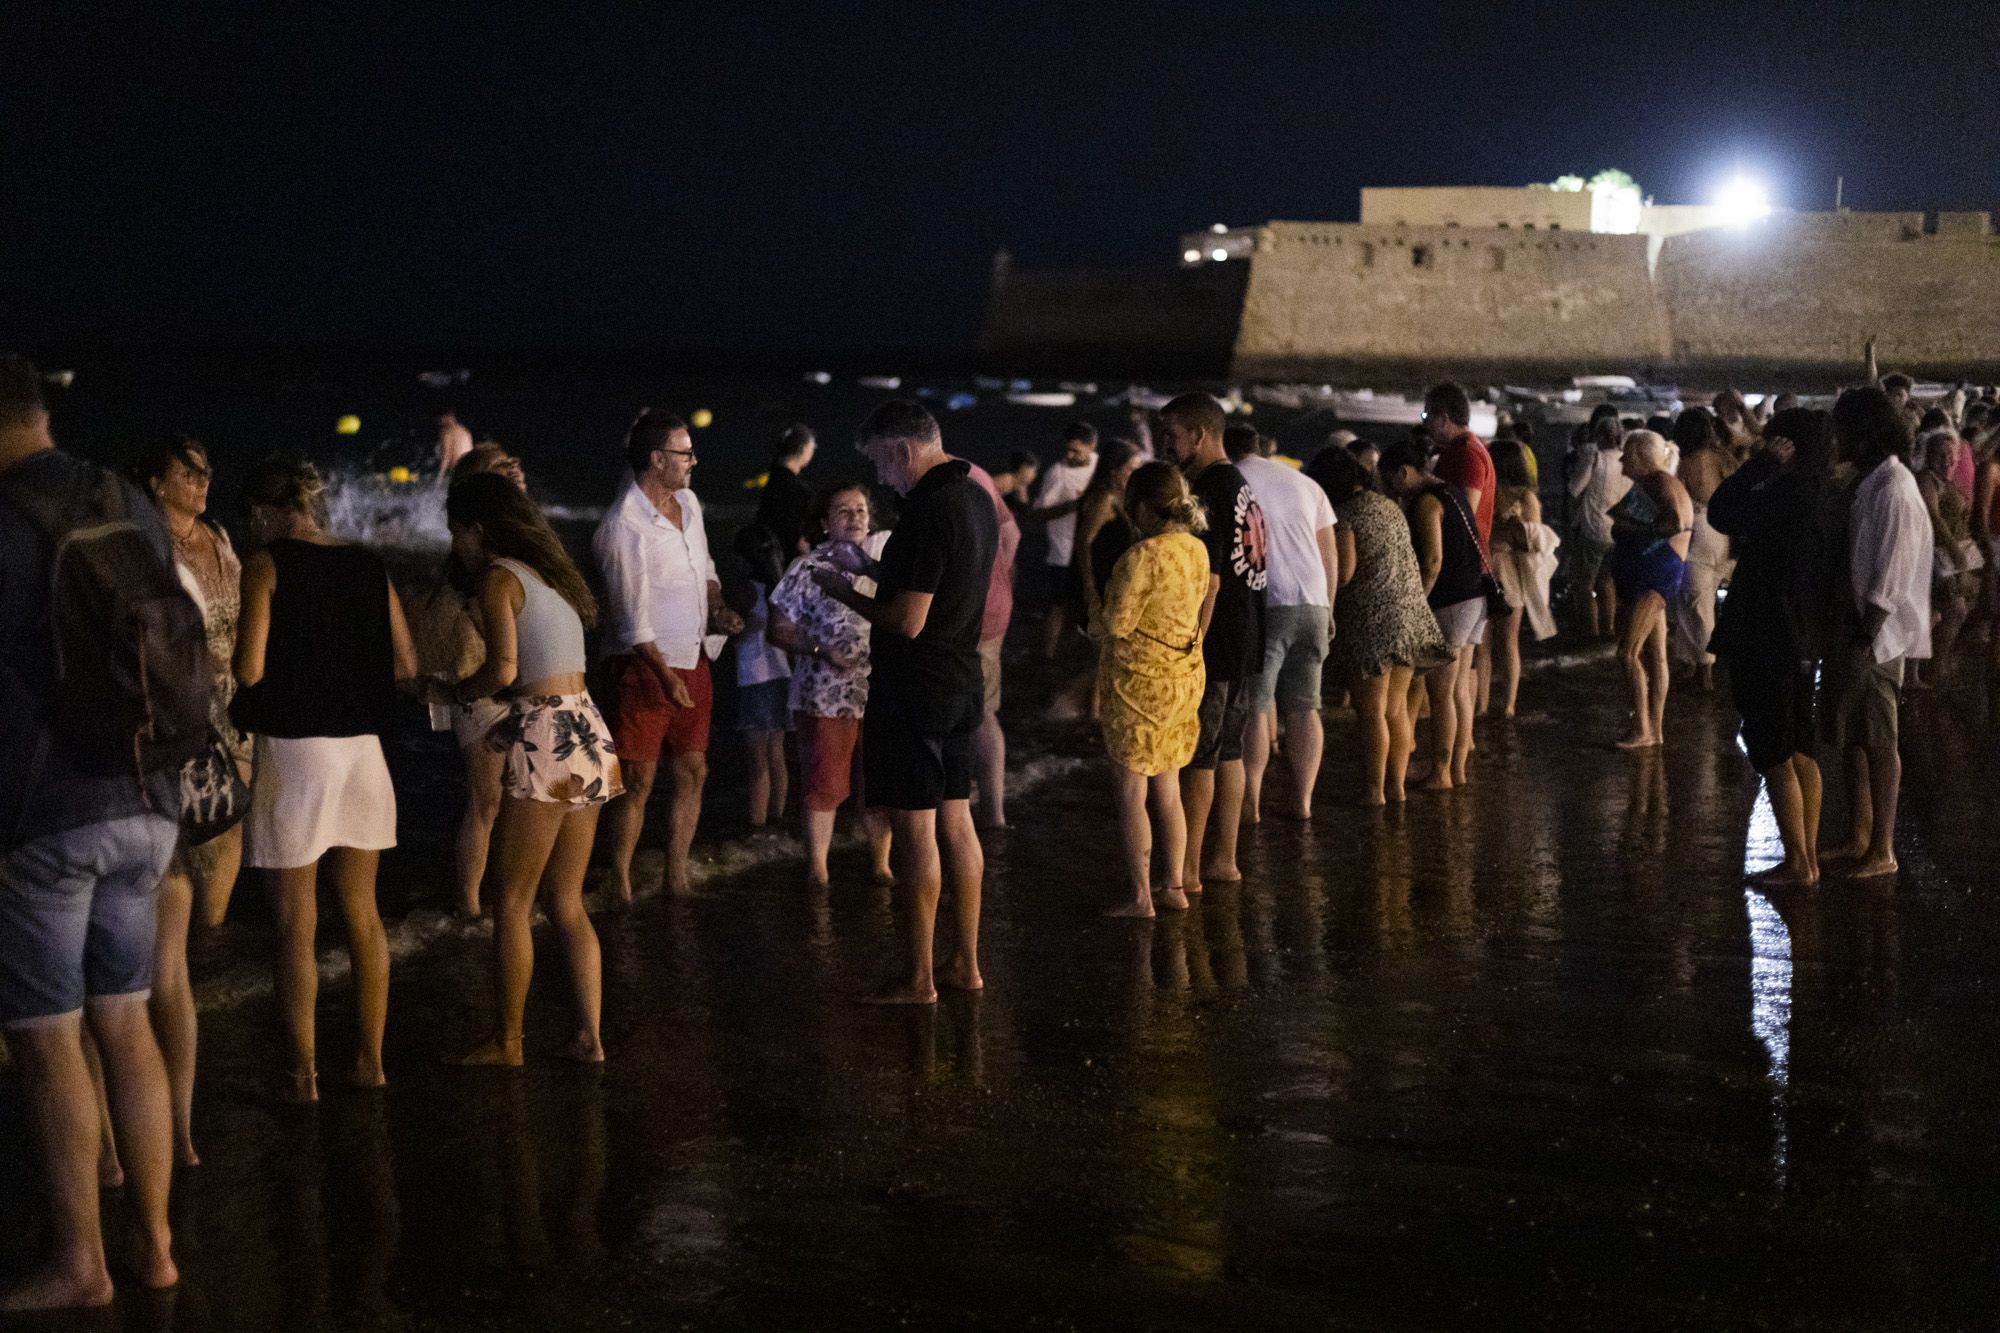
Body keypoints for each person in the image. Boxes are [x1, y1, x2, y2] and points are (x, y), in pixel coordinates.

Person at [0, 357, 187, 1309]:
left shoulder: (5, 518)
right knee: (125, 1017)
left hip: (47, 812)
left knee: (46, 1038)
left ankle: (82, 1262)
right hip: (148, 796)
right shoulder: (125, 498)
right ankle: (154, 1247)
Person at [231, 456, 417, 1102]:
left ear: (263, 513)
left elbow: (249, 670)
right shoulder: (367, 563)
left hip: (295, 753)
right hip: (363, 752)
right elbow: (406, 662)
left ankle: (302, 1075)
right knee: (363, 913)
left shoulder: (266, 564)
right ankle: (371, 1062)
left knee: (295, 925)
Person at [810, 401, 997, 1004]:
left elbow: (907, 620)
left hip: (915, 689)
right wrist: (870, 565)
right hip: (962, 680)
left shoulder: (928, 512)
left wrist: (844, 590)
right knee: (958, 823)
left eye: (880, 464)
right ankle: (965, 964)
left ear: (902, 450)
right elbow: (939, 582)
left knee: (917, 833)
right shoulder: (975, 497)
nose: (883, 479)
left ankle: (918, 979)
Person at [433, 472, 620, 1065]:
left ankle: (508, 1041)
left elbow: (505, 670)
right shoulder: (549, 577)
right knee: (566, 899)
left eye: (457, 533)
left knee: (511, 900)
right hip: (587, 727)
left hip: (547, 732)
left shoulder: (497, 577)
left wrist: (457, 692)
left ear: (476, 529)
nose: (456, 546)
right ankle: (590, 1036)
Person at [121, 435, 247, 1168]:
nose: (202, 481)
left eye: (206, 470)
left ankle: (214, 949)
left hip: (220, 724)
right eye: (187, 472)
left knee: (221, 845)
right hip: (185, 727)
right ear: (154, 481)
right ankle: (172, 1133)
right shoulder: (149, 552)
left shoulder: (216, 539)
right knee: (165, 946)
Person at [594, 411, 743, 901]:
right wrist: (665, 676)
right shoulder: (623, 526)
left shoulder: (689, 503)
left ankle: (676, 874)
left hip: (693, 656)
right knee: (637, 779)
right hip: (642, 667)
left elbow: (706, 568)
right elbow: (629, 620)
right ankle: (619, 879)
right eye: (686, 453)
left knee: (694, 770)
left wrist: (717, 608)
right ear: (657, 459)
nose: (694, 461)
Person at [1708, 407, 1836, 887]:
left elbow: (1721, 512)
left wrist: (1760, 465)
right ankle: (1808, 856)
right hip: (1801, 633)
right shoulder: (1824, 494)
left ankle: (1799, 862)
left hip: (1765, 632)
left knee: (1772, 746)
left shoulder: (1783, 494)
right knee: (1801, 744)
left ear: (1787, 445)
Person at [1821, 387, 1932, 878]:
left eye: (1842, 430)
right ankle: (1860, 833)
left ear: (1862, 436)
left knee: (1880, 740)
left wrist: (1866, 634)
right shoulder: (1873, 481)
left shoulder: (1894, 490)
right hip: (1859, 629)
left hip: (1874, 636)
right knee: (1854, 738)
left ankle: (1882, 847)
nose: (1836, 440)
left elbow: (1891, 572)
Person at [1157, 394, 1266, 890]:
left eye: (1172, 434)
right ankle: (1225, 860)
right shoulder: (1241, 484)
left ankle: (1188, 870)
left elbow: (1210, 579)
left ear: (1198, 435)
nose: (1166, 444)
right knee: (1230, 751)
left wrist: (1191, 644)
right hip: (1248, 635)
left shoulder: (1208, 490)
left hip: (1217, 641)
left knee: (1200, 754)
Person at [1092, 462, 1209, 917]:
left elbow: (1117, 623)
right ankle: (1174, 886)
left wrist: (1094, 618)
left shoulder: (1141, 556)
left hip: (1137, 686)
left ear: (1142, 507)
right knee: (1169, 786)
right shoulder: (1196, 549)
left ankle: (1141, 896)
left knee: (1131, 790)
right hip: (1183, 678)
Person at [1307, 445, 1447, 805]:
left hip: (1372, 622)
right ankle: (1396, 787)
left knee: (1371, 713)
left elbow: (1345, 572)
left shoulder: (1345, 515)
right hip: (1408, 616)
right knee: (1395, 710)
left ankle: (1373, 790)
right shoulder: (1388, 506)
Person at [768, 484, 893, 888]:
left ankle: (881, 865)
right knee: (825, 782)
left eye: (861, 510)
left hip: (880, 691)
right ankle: (818, 870)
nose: (855, 517)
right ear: (824, 522)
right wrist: (821, 649)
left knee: (879, 782)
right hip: (824, 693)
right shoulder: (807, 568)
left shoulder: (884, 562)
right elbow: (778, 629)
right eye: (843, 511)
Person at [1230, 423, 1339, 820]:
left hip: (1268, 603)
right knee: (1306, 707)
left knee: (1257, 708)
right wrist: (1329, 607)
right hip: (1313, 602)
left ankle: (1251, 803)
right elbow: (1329, 553)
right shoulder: (1306, 484)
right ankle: (1303, 802)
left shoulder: (1233, 480)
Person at [1379, 441, 1483, 789]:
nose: (1390, 491)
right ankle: (1456, 769)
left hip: (1451, 602)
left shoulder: (1427, 502)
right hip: (1474, 598)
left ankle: (1441, 772)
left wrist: (1416, 604)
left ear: (1403, 472)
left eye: (1390, 481)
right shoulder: (1453, 492)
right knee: (1457, 691)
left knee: (1441, 693)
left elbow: (1433, 560)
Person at [1607, 431, 1694, 750]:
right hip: (1653, 574)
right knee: (1656, 656)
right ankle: (1654, 730)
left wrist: (1633, 528)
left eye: (1626, 454)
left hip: (1657, 576)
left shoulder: (1660, 482)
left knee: (1627, 653)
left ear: (1640, 456)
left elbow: (1675, 523)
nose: (1621, 460)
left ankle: (1642, 727)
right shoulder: (1658, 482)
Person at [1049, 437, 1141, 720]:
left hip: (1111, 583)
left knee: (1105, 652)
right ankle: (1075, 705)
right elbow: (1083, 541)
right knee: (1107, 651)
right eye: (1131, 468)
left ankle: (1093, 711)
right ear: (1115, 469)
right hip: (1098, 585)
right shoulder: (1105, 498)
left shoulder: (1121, 496)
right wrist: (1089, 585)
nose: (1135, 473)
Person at [1485, 437, 1559, 717]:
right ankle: (1492, 703)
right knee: (1492, 642)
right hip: (1496, 568)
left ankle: (1506, 703)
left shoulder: (1521, 497)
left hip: (1507, 570)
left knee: (1504, 640)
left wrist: (1508, 532)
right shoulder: (1510, 494)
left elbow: (1534, 538)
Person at [965, 459, 1021, 829]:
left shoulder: (947, 484)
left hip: (971, 613)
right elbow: (1013, 534)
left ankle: (984, 813)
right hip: (995, 607)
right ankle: (990, 809)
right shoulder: (977, 473)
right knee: (983, 709)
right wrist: (999, 577)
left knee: (975, 713)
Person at [1670, 408, 1739, 693]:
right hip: (1725, 533)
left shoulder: (1686, 463)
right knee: (1699, 601)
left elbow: (1678, 501)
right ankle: (1690, 663)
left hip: (1699, 531)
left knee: (1696, 604)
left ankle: (1704, 671)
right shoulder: (1724, 458)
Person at [730, 524, 793, 827]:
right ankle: (776, 820)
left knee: (757, 761)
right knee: (776, 754)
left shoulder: (744, 591)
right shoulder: (782, 592)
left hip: (755, 679)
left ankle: (756, 826)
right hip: (782, 676)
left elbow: (729, 630)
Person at [1912, 428, 1977, 687]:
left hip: (1950, 557)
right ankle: (1935, 668)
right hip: (1934, 556)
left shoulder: (1948, 482)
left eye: (1952, 454)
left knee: (1940, 613)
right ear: (1929, 455)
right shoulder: (1927, 479)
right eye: (1941, 454)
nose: (1948, 460)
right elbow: (1934, 517)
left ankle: (1930, 667)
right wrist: (1955, 550)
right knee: (1953, 610)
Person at [1031, 422, 1098, 661]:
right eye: (1067, 449)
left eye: (1076, 451)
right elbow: (1038, 513)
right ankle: (1049, 657)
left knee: (1087, 605)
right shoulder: (1057, 473)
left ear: (1091, 446)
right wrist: (1072, 506)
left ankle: (1080, 656)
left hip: (1090, 551)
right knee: (1058, 606)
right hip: (1063, 553)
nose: (1069, 455)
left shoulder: (1100, 466)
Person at [1565, 410, 1630, 638]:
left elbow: (1575, 489)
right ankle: (1608, 629)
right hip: (1617, 530)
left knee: (1584, 585)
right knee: (1607, 581)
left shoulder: (1595, 458)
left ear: (1600, 435)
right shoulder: (1626, 460)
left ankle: (1591, 631)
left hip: (1593, 529)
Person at [757, 424, 816, 558]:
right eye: (812, 447)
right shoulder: (792, 486)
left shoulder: (774, 480)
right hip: (789, 558)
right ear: (803, 448)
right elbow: (795, 532)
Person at [990, 448, 1041, 520]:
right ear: (1023, 467)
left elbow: (1024, 512)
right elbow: (983, 495)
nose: (1034, 475)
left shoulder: (1021, 486)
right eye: (1034, 471)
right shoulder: (1007, 480)